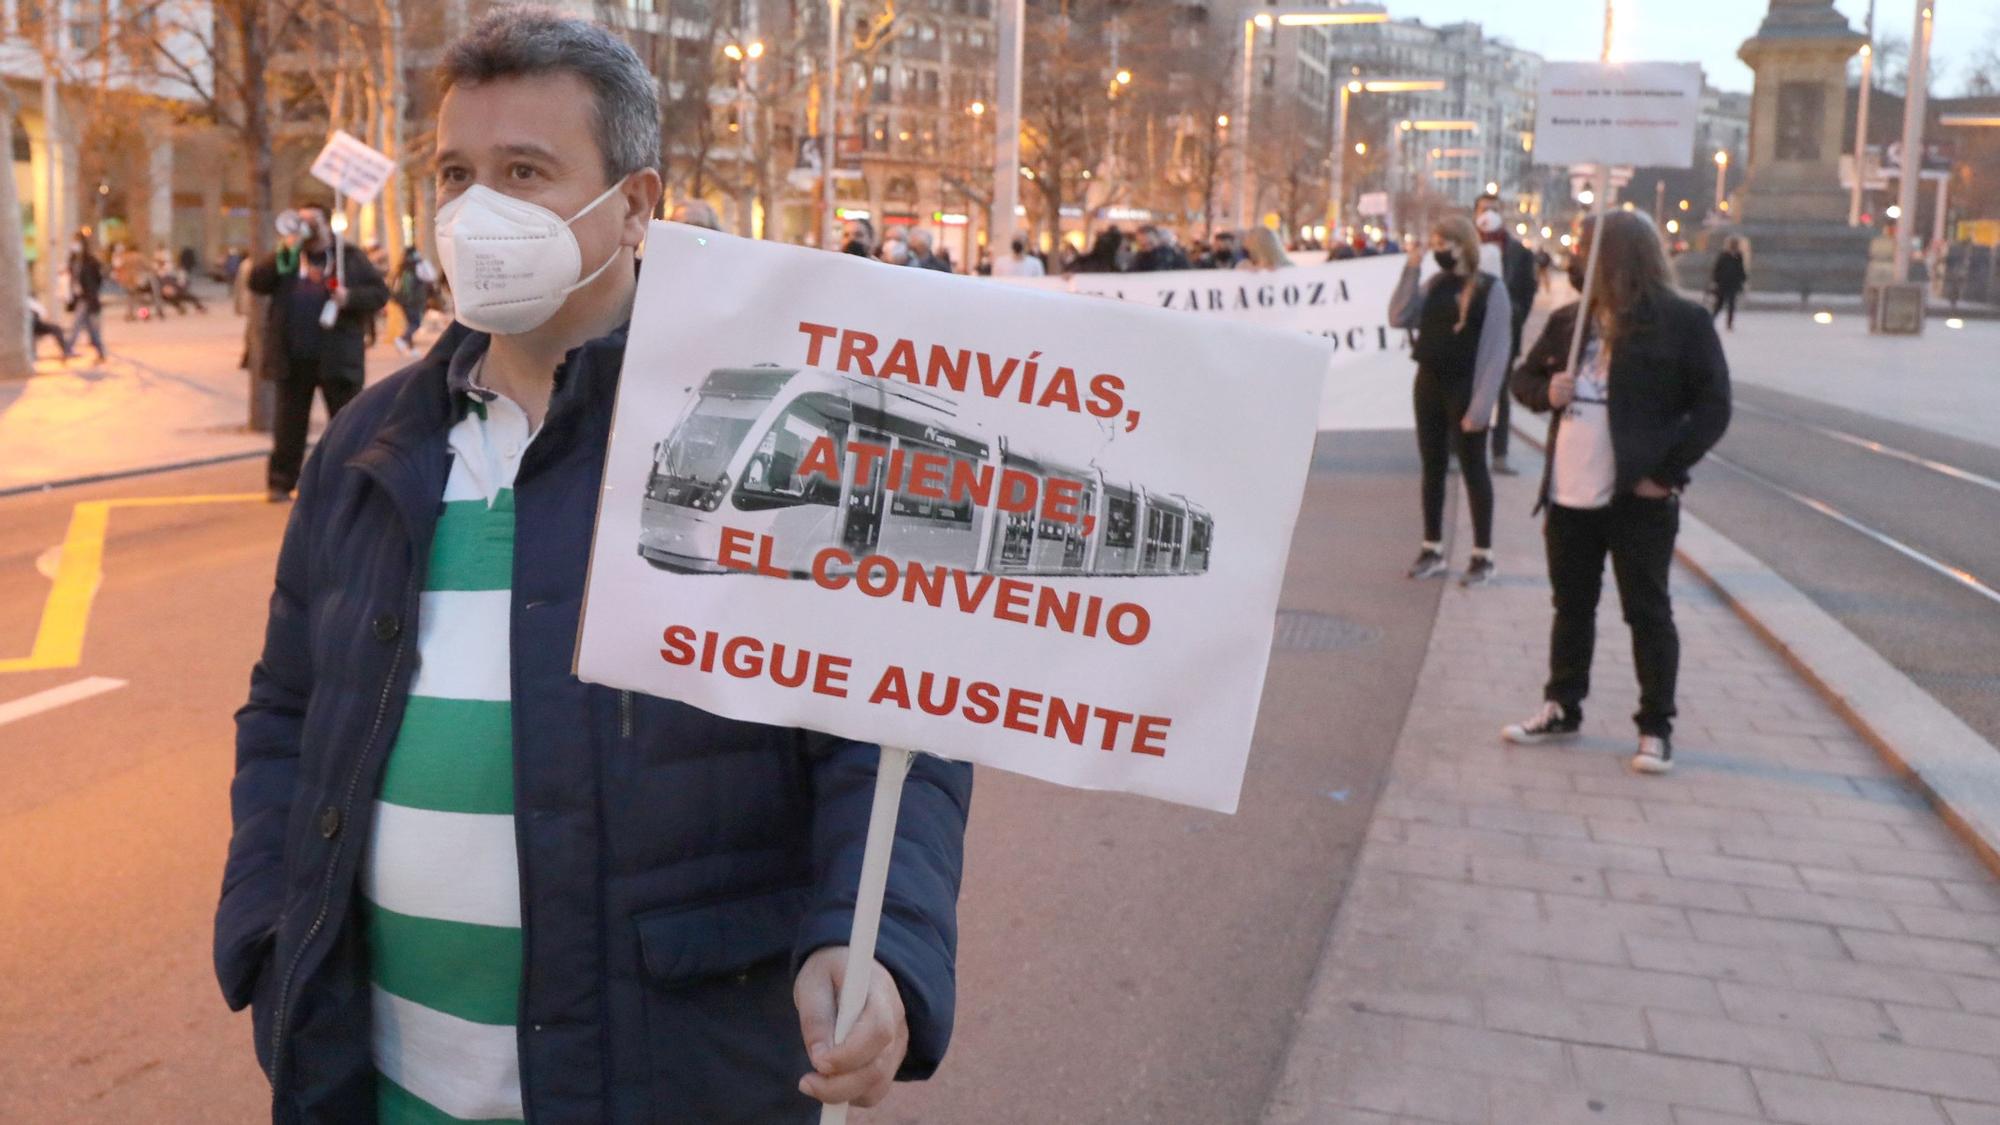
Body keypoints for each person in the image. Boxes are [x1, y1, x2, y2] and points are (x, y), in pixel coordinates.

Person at [214, 11, 971, 1123]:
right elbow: (287, 709)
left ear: (634, 206)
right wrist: (270, 932)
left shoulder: (771, 437)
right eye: (457, 173)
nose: (479, 211)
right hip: (379, 1081)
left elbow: (890, 726)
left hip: (662, 1070)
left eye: (525, 171)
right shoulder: (372, 448)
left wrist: (881, 947)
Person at [1504, 210, 1732, 775]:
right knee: (1571, 606)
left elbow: (1714, 407)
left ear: (1617, 257)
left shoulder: (1681, 323)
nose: (1577, 256)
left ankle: (1655, 727)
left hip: (1637, 498)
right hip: (1569, 492)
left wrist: (1668, 473)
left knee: (1647, 612)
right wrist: (1545, 393)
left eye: (1586, 247)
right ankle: (1562, 706)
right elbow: (1523, 381)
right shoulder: (1569, 322)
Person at [1389, 215, 1512, 588]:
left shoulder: (1491, 289)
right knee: (1433, 466)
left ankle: (1483, 554)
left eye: (1446, 245)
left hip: (1466, 385)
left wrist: (1481, 406)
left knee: (1475, 468)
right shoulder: (1435, 283)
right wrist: (1410, 270)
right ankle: (1432, 547)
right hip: (1429, 381)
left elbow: (1496, 351)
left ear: (1464, 245)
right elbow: (1398, 316)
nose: (1439, 251)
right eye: (1436, 245)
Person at [246, 199, 390, 502]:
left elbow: (379, 293)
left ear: (326, 224)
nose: (305, 227)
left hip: (337, 358)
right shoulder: (289, 256)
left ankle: (349, 483)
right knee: (288, 426)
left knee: (346, 424)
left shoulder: (348, 256)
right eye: (301, 220)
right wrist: (285, 249)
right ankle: (281, 482)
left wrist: (349, 297)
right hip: (293, 357)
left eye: (311, 221)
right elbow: (257, 282)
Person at [1475, 192, 1539, 477]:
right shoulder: (1466, 244)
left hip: (1504, 332)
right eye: (1484, 209)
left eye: (1494, 209)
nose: (1489, 213)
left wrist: (1514, 315)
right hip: (1471, 333)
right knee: (1464, 390)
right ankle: (1458, 449)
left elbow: (1528, 291)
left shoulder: (1518, 252)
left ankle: (1499, 453)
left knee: (1499, 394)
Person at [62, 233, 108, 362]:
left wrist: (92, 291)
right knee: (91, 329)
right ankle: (100, 351)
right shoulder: (74, 260)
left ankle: (67, 348)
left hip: (88, 297)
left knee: (77, 324)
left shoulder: (90, 261)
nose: (74, 245)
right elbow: (72, 277)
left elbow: (98, 278)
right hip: (80, 297)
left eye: (76, 242)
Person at [390, 246, 438, 355]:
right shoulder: (419, 265)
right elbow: (431, 276)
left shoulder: (402, 267)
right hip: (415, 300)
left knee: (410, 323)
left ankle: (411, 349)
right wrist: (424, 262)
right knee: (416, 323)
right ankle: (402, 339)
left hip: (402, 301)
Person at [1709, 236, 1747, 331]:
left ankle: (1729, 324)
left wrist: (1742, 279)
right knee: (1719, 305)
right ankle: (1711, 321)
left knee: (1731, 305)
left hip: (1733, 284)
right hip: (1723, 284)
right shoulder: (1723, 256)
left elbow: (1740, 269)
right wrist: (1716, 280)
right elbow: (1717, 269)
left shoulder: (1738, 256)